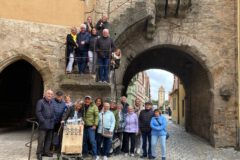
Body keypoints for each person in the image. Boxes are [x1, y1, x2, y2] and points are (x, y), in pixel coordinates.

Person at [35, 90, 55, 160]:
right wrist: (43, 121)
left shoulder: (52, 103)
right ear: (45, 94)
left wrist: (53, 120)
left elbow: (53, 112)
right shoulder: (40, 102)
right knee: (41, 140)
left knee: (48, 139)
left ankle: (46, 152)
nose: (50, 95)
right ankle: (39, 153)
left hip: (50, 124)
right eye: (48, 94)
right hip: (43, 124)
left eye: (51, 94)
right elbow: (38, 112)